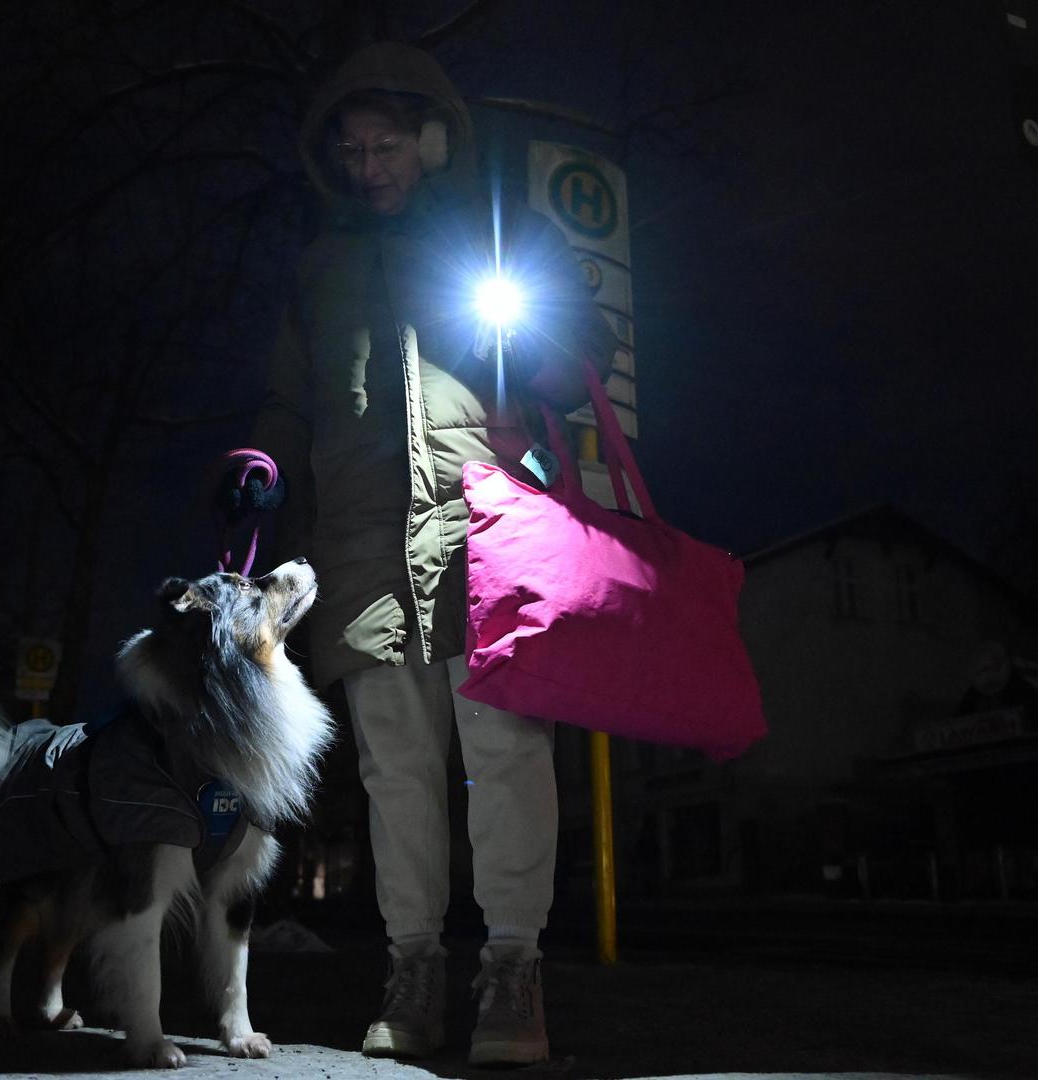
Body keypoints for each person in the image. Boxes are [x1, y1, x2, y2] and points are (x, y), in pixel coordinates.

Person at [236, 41, 615, 1067]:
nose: (369, 164)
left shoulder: (500, 235)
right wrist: (261, 461)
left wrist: (533, 357)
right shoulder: (317, 267)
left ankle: (509, 969)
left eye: (387, 142)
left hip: (487, 528)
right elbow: (285, 393)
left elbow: (581, 357)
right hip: (361, 545)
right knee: (396, 771)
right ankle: (411, 968)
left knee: (505, 757)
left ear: (433, 139)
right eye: (351, 149)